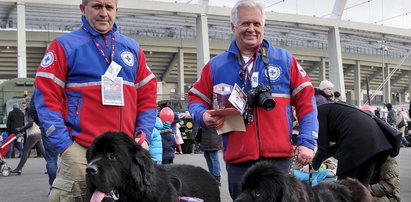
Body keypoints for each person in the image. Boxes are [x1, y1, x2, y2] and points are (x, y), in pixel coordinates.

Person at [188, 0, 318, 199]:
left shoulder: (284, 60)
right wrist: (202, 115)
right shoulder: (216, 66)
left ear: (263, 27)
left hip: (279, 160)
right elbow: (195, 99)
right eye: (245, 23)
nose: (251, 29)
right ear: (233, 27)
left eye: (256, 24)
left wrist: (307, 142)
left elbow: (306, 102)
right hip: (239, 161)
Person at [33, 0, 158, 201]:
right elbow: (46, 100)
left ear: (116, 11)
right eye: (97, 6)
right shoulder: (63, 46)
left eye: (109, 7)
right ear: (83, 9)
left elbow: (148, 98)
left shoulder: (132, 48)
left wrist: (143, 137)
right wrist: (65, 146)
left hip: (120, 157)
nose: (103, 13)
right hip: (81, 153)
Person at [313, 102, 393, 186]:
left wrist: (312, 167)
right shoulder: (335, 110)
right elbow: (336, 147)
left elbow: (323, 149)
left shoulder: (318, 113)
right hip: (378, 142)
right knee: (362, 187)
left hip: (357, 141)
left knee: (343, 186)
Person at [29, 91, 58, 189]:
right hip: (63, 123)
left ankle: (54, 187)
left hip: (47, 125)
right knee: (69, 157)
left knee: (51, 159)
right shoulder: (62, 82)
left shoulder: (40, 87)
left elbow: (32, 109)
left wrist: (40, 123)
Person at [11, 98, 45, 175]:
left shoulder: (30, 111)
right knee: (43, 152)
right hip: (37, 133)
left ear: (29, 103)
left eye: (24, 103)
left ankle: (19, 169)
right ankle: (52, 166)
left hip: (33, 134)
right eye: (22, 103)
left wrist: (21, 128)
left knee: (25, 151)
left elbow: (30, 124)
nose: (23, 105)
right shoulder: (28, 111)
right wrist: (23, 130)